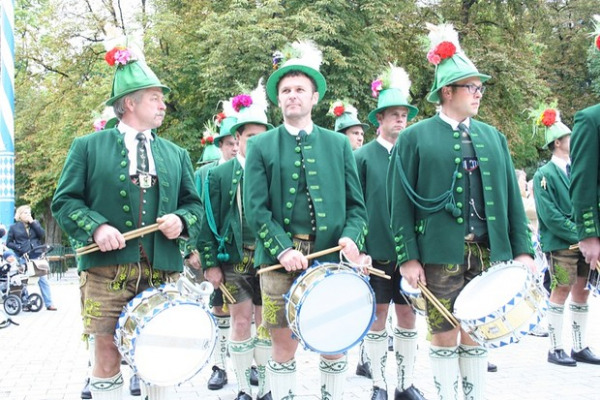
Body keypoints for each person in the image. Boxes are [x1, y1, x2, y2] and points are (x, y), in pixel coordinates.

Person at [387, 23, 536, 400]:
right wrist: (408, 258)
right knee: (443, 333)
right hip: (438, 255)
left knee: (476, 332)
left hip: (488, 253)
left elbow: (510, 200)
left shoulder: (492, 136)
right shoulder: (414, 137)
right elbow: (399, 204)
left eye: (480, 87)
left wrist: (522, 251)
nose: (478, 94)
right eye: (472, 87)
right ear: (447, 92)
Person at [51, 45, 202, 400]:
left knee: (162, 355)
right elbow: (64, 200)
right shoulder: (87, 147)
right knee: (106, 355)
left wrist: (181, 221)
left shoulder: (176, 154)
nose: (162, 104)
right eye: (154, 97)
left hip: (162, 270)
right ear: (130, 103)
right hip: (106, 272)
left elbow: (194, 206)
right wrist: (97, 227)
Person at [244, 40, 369, 400]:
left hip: (330, 260)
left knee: (334, 342)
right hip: (277, 263)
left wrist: (350, 237)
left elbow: (357, 207)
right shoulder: (260, 146)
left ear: (315, 98)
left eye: (300, 89)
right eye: (286, 90)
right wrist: (282, 250)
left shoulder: (338, 144)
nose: (292, 95)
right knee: (282, 346)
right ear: (277, 100)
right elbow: (257, 210)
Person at [199, 80, 274, 400]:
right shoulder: (219, 175)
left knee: (267, 323)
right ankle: (244, 388)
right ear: (238, 139)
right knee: (240, 321)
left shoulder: (276, 171)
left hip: (269, 259)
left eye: (262, 137)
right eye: (249, 137)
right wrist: (209, 264)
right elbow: (208, 221)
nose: (256, 143)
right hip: (234, 259)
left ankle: (268, 388)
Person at [353, 64, 424, 400]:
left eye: (403, 115)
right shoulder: (362, 157)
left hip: (410, 254)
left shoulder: (414, 153)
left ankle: (405, 383)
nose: (400, 120)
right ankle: (379, 384)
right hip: (376, 252)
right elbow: (355, 206)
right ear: (378, 120)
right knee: (378, 315)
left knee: (408, 314)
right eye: (393, 115)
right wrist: (359, 249)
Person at [532, 106, 600, 367]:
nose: (575, 141)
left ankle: (579, 345)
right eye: (570, 138)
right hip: (561, 245)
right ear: (558, 142)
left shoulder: (578, 167)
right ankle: (555, 347)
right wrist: (582, 233)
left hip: (582, 245)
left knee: (582, 291)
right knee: (560, 289)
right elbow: (550, 216)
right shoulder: (544, 175)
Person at [187, 105, 240, 392]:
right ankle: (219, 366)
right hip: (217, 254)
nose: (235, 147)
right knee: (220, 307)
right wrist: (194, 250)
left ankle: (251, 365)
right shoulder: (206, 174)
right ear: (221, 144)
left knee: (251, 311)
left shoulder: (251, 168)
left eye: (237, 142)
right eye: (230, 143)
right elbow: (196, 214)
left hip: (244, 254)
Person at [6, 205, 57, 311]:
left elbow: (41, 234)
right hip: (23, 256)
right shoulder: (14, 227)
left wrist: (33, 222)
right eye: (25, 213)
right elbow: (9, 243)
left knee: (42, 279)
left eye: (29, 213)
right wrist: (19, 247)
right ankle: (25, 301)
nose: (28, 215)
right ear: (19, 215)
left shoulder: (35, 224)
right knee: (22, 280)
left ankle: (49, 303)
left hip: (36, 255)